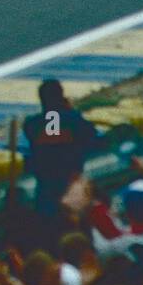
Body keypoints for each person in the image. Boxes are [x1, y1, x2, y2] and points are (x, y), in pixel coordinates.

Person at [21, 79, 99, 221]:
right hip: (70, 182)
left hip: (46, 184)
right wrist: (69, 110)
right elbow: (93, 137)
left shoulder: (32, 124)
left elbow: (45, 131)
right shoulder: (73, 120)